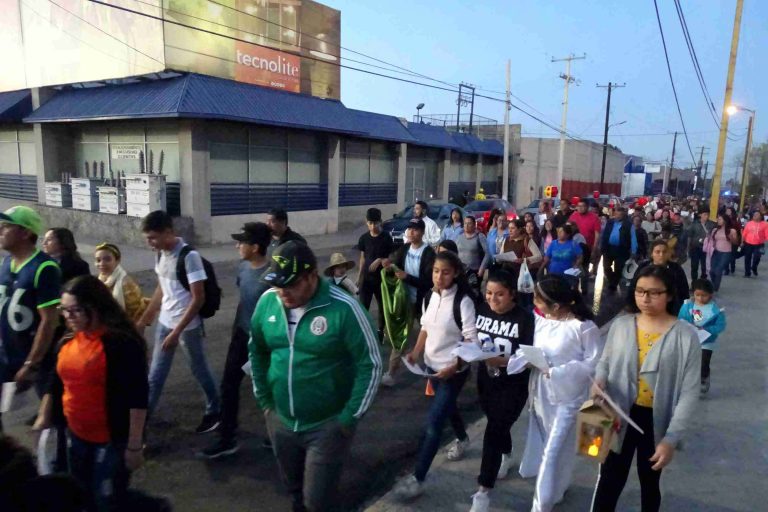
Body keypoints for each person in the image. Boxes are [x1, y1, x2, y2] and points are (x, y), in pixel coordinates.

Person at [249, 241, 381, 512]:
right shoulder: (268, 302)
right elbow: (257, 351)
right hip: (281, 421)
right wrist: (264, 400)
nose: (283, 292)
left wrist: (348, 418)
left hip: (327, 426)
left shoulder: (344, 308)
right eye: (278, 285)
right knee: (294, 491)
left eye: (291, 285)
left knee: (318, 501)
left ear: (312, 276)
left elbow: (371, 364)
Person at [591, 265, 701, 512]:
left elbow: (689, 392)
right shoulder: (622, 325)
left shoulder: (685, 336)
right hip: (619, 414)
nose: (645, 298)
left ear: (670, 295)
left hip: (655, 420)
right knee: (609, 478)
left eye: (653, 293)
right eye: (640, 291)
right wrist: (599, 381)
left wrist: (671, 438)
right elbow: (605, 362)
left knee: (649, 481)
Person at [34, 275, 148, 511]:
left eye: (74, 310)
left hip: (111, 440)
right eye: (63, 310)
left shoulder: (121, 344)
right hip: (75, 435)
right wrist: (45, 414)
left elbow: (137, 396)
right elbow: (55, 382)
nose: (67, 316)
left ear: (94, 307)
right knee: (81, 493)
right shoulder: (68, 340)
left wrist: (134, 445)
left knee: (106, 497)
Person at [507, 275, 602, 512]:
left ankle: (541, 506)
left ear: (557, 306)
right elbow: (527, 349)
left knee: (553, 451)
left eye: (539, 300)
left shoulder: (583, 327)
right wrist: (526, 360)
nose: (535, 304)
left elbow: (593, 363)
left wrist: (557, 371)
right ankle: (557, 488)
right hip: (541, 393)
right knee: (551, 444)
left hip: (568, 397)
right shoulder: (540, 321)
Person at [393, 251, 478, 501]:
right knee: (446, 409)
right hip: (431, 368)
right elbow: (426, 328)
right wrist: (415, 352)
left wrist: (456, 364)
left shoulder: (463, 301)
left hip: (453, 372)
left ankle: (418, 478)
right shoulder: (429, 295)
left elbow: (471, 340)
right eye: (435, 271)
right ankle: (463, 438)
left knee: (433, 424)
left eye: (445, 272)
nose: (439, 277)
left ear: (456, 274)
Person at [136, 210, 220, 434]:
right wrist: (146, 319)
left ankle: (215, 409)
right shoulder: (160, 254)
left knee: (199, 369)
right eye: (147, 238)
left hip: (187, 328)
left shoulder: (189, 257)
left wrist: (177, 332)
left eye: (153, 237)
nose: (150, 243)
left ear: (168, 232)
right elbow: (162, 288)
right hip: (165, 322)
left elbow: (198, 297)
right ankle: (142, 423)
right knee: (155, 375)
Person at [199, 222, 272, 459]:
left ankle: (278, 434)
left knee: (269, 389)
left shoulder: (272, 275)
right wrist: (237, 331)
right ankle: (226, 437)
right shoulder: (242, 268)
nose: (237, 245)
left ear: (256, 246)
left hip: (265, 341)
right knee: (228, 384)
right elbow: (244, 301)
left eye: (242, 242)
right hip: (242, 335)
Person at [468, 270, 534, 512]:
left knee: (494, 429)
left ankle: (483, 491)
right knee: (496, 425)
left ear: (512, 295)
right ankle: (506, 454)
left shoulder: (525, 319)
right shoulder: (482, 310)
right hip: (486, 381)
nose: (492, 299)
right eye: (488, 293)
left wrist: (500, 361)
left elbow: (528, 357)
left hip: (513, 385)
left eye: (499, 295)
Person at [0, 206, 61, 416]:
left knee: (52, 415)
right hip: (5, 353)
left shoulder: (44, 268)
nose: (0, 231)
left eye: (6, 227)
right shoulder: (6, 262)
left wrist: (32, 363)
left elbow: (49, 321)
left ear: (25, 233)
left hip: (35, 360)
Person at [381, 218, 436, 386]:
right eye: (409, 229)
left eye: (415, 229)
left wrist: (408, 278)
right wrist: (388, 266)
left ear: (422, 232)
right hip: (406, 302)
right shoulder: (404, 249)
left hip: (423, 302)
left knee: (432, 338)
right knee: (401, 337)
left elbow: (429, 281)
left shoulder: (428, 253)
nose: (411, 232)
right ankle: (391, 372)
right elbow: (395, 265)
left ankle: (433, 372)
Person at [678, 278, 726, 394]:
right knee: (688, 362)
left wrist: (707, 329)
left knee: (704, 361)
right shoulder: (688, 306)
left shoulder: (716, 310)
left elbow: (720, 325)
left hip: (707, 340)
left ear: (710, 295)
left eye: (703, 295)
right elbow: (681, 319)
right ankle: (688, 382)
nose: (700, 298)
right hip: (691, 338)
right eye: (697, 295)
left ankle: (704, 377)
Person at [356, 208, 393, 343]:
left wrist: (380, 260)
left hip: (381, 280)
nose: (373, 226)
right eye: (370, 223)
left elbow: (391, 258)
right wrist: (359, 277)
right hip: (367, 279)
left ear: (381, 222)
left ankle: (380, 331)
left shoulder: (387, 238)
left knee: (382, 307)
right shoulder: (364, 238)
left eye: (375, 223)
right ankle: (364, 332)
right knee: (363, 307)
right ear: (366, 222)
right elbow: (362, 258)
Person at [632, 240, 689, 312]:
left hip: (671, 309)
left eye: (664, 252)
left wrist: (684, 308)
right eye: (657, 252)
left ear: (668, 254)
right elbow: (633, 286)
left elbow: (684, 290)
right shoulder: (643, 267)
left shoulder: (676, 269)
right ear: (652, 254)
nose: (661, 255)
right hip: (645, 306)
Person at [94, 243, 147, 322]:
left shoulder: (126, 283)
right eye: (98, 260)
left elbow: (137, 313)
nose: (101, 263)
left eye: (107, 259)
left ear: (117, 260)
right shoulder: (100, 279)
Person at [600, 207, 637, 292]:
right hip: (609, 248)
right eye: (616, 214)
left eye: (620, 215)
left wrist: (634, 251)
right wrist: (602, 247)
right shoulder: (610, 222)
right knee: (606, 267)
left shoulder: (628, 225)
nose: (617, 216)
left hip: (622, 250)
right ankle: (612, 280)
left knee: (619, 268)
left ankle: (613, 284)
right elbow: (605, 235)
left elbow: (633, 238)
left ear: (623, 215)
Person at [706, 215, 738, 291]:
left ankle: (715, 287)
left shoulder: (732, 231)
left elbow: (736, 242)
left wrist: (731, 238)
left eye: (720, 219)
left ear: (725, 221)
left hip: (726, 253)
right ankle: (714, 283)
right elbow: (712, 240)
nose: (718, 221)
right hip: (716, 251)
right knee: (712, 270)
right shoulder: (715, 230)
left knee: (718, 270)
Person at [456, 215, 487, 286]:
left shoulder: (480, 236)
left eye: (469, 223)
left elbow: (487, 253)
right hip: (461, 270)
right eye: (465, 223)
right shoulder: (459, 237)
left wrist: (482, 268)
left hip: (475, 270)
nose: (466, 225)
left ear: (474, 225)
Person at [687, 211, 715, 281]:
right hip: (695, 247)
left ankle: (703, 280)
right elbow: (690, 236)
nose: (706, 216)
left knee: (704, 266)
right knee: (694, 266)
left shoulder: (711, 224)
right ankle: (694, 281)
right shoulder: (694, 224)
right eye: (705, 214)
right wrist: (688, 247)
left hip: (705, 248)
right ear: (700, 215)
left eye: (707, 215)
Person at [741, 210, 768, 277]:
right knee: (747, 258)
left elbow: (767, 235)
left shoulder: (765, 224)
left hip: (759, 244)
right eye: (754, 214)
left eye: (757, 214)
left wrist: (765, 240)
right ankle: (747, 273)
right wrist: (742, 242)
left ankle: (754, 267)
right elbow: (744, 234)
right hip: (748, 243)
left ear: (760, 216)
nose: (755, 215)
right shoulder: (749, 223)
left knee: (757, 257)